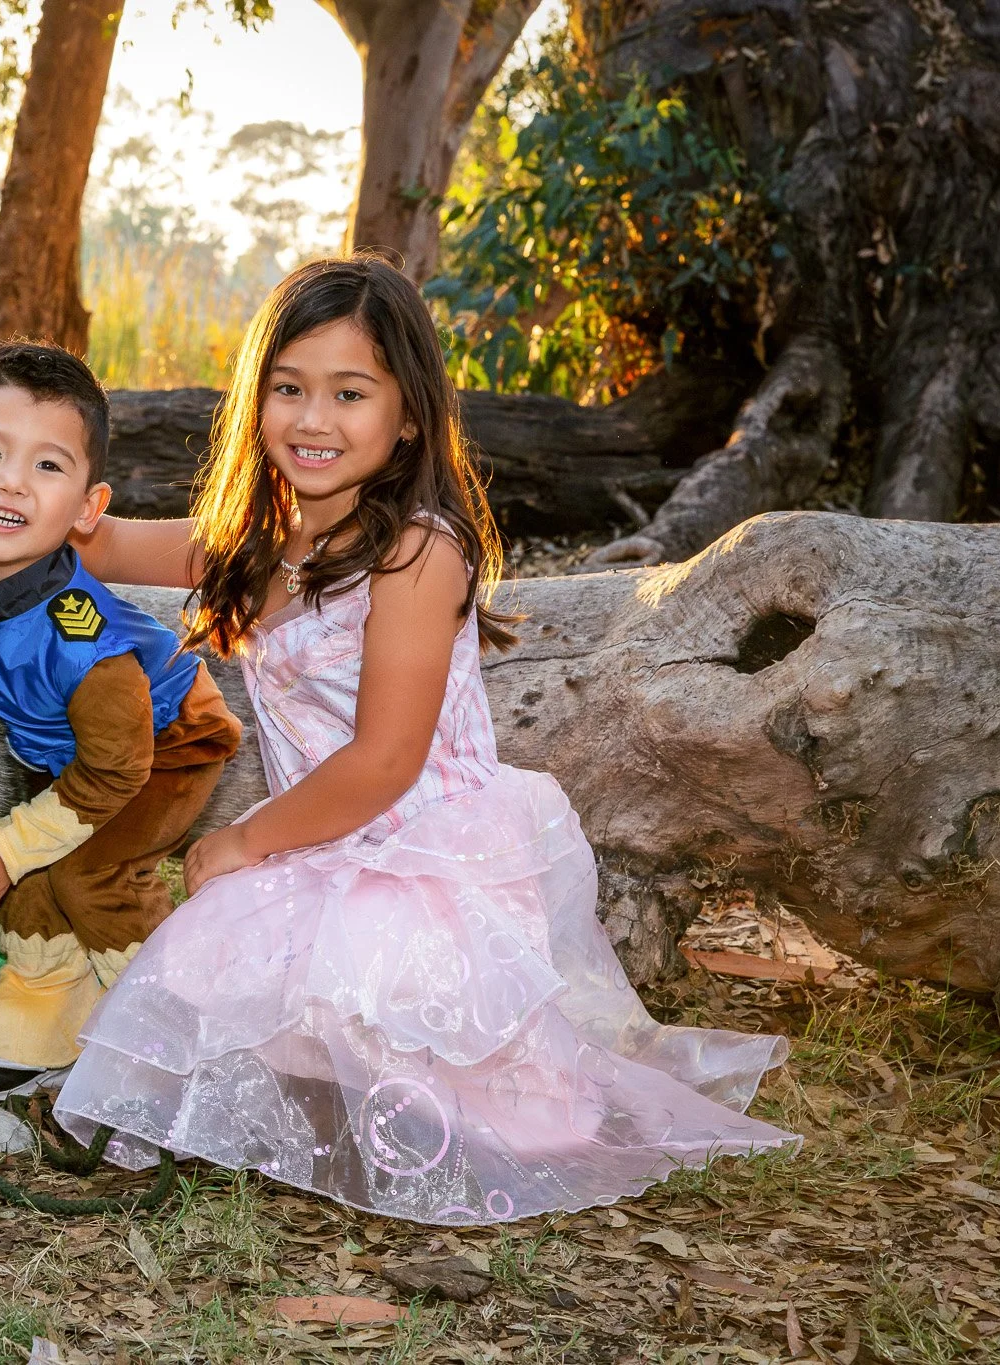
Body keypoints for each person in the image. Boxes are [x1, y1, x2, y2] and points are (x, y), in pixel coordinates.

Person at [50, 256, 799, 1223]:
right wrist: (41, 497)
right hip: (322, 847)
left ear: (408, 416)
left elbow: (384, 761)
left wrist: (241, 840)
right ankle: (328, 1083)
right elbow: (103, 543)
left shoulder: (417, 548)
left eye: (349, 393)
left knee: (511, 1122)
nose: (313, 420)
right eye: (289, 389)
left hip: (417, 857)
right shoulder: (260, 540)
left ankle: (438, 1089)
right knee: (206, 989)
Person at [0, 343, 240, 1094]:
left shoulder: (81, 642)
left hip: (160, 743)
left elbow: (116, 766)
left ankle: (166, 1021)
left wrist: (10, 841)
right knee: (34, 875)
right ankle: (45, 996)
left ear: (88, 508)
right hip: (62, 753)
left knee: (86, 867)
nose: (11, 479)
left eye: (48, 465)